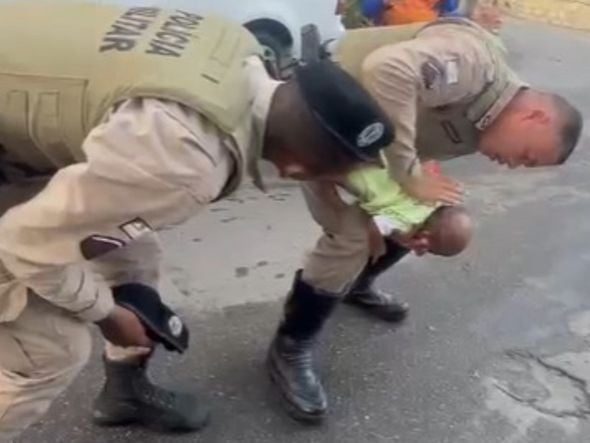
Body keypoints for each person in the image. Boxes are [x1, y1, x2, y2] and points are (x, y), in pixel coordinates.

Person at [0, 2, 395, 438]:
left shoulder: (237, 45)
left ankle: (124, 393)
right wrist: (108, 313)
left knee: (134, 257)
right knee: (48, 351)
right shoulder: (186, 162)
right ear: (294, 171)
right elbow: (22, 244)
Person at [267, 16, 584, 421]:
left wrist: (403, 209)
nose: (512, 166)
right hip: (318, 117)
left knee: (437, 224)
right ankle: (290, 345)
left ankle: (356, 285)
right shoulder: (472, 66)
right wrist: (407, 174)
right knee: (349, 235)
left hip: (367, 144)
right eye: (526, 157)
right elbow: (387, 68)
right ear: (535, 117)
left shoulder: (490, 120)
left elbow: (415, 135)